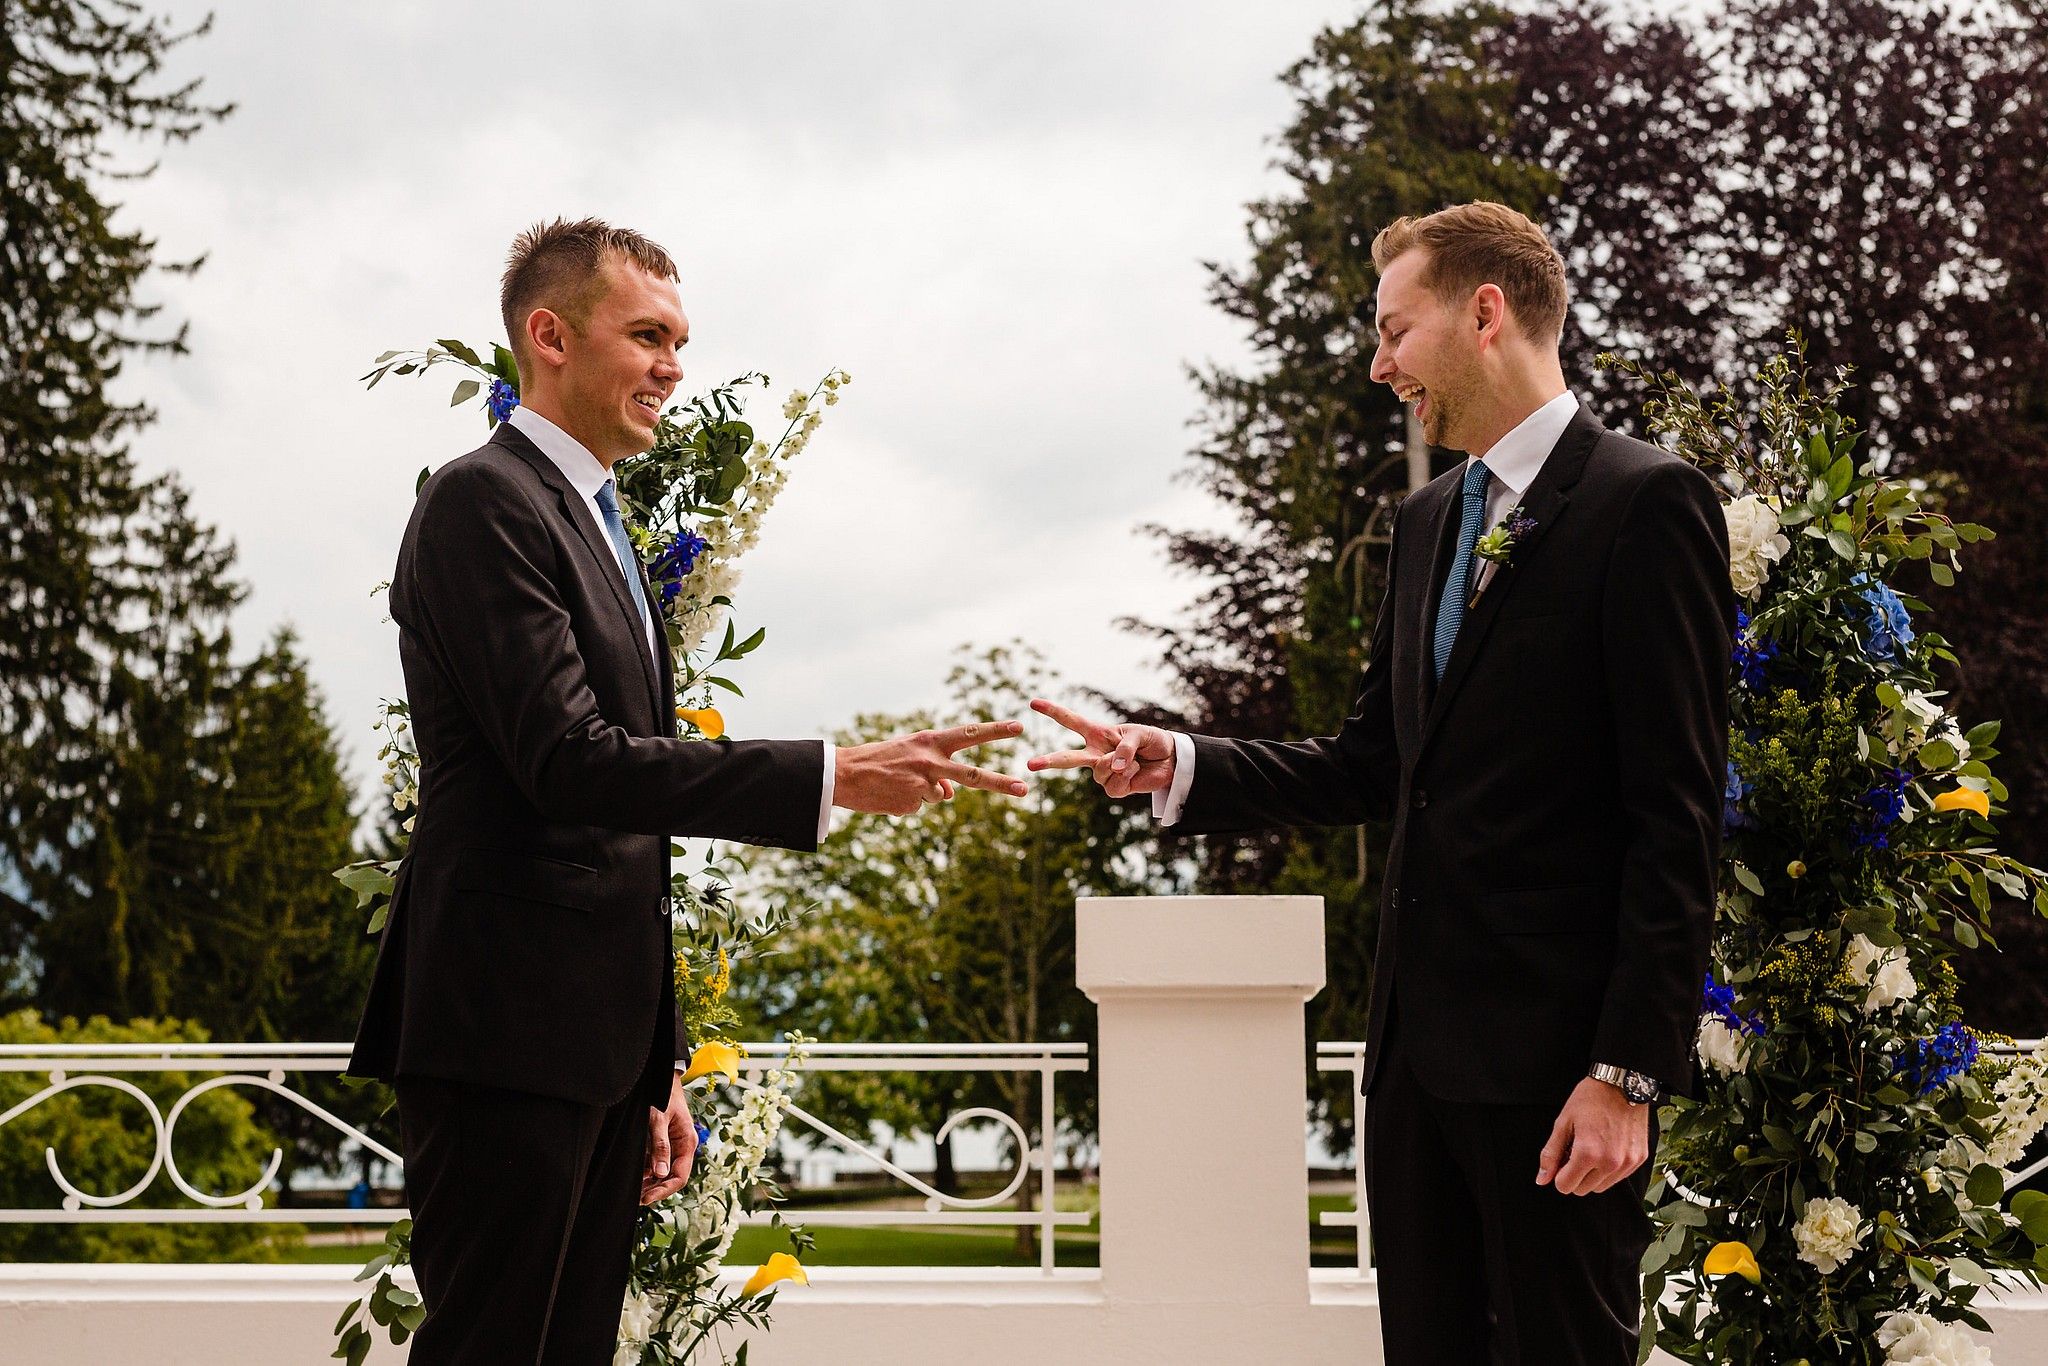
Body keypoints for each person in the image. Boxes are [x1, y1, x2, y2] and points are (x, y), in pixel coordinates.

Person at [1032, 202, 1732, 1364]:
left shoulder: (1643, 503)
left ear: (1485, 312)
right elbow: (1372, 764)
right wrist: (1183, 762)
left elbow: (1676, 812)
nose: (1378, 365)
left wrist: (1625, 1072)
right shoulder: (1421, 523)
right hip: (1413, 1069)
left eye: (1393, 330)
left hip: (1560, 1078)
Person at [347, 217, 1027, 1365]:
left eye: (681, 340)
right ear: (548, 335)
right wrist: (829, 774)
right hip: (501, 1031)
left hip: (591, 1048)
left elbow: (623, 836)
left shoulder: (600, 517)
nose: (673, 365)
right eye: (647, 335)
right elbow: (568, 761)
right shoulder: (482, 503)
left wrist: (652, 1061)